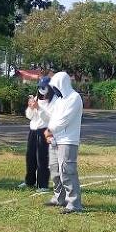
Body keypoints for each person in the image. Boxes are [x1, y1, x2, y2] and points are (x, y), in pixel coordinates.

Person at [43, 71, 84, 214]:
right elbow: (53, 118)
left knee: (67, 171)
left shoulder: (74, 98)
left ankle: (74, 203)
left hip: (68, 140)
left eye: (56, 87)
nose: (54, 90)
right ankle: (59, 198)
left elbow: (64, 120)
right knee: (54, 170)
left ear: (62, 84)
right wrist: (50, 133)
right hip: (55, 139)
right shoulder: (59, 100)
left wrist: (50, 130)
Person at [19, 76, 52, 192]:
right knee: (30, 157)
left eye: (44, 87)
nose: (42, 89)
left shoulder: (53, 101)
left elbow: (49, 118)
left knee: (42, 158)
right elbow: (29, 116)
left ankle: (43, 184)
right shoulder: (37, 98)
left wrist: (38, 108)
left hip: (44, 131)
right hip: (33, 131)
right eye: (40, 87)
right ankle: (30, 181)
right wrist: (30, 107)